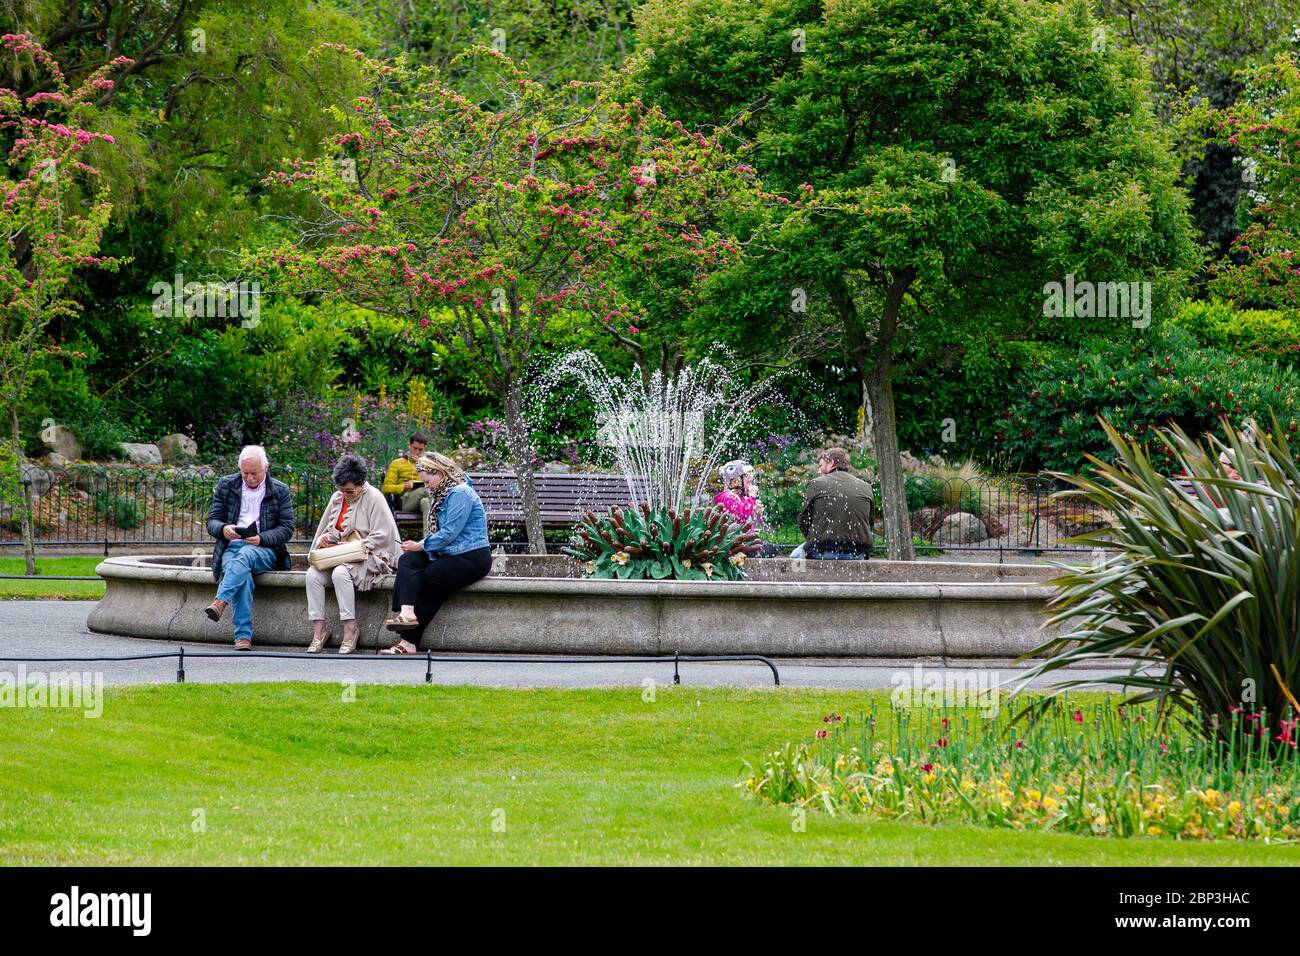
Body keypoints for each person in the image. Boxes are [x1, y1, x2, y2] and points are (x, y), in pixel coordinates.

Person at [381, 452, 492, 654]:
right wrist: (418, 548)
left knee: (430, 578)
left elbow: (449, 533)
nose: (426, 486)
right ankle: (406, 613)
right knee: (408, 560)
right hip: (448, 552)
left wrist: (421, 545)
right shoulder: (442, 493)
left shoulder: (460, 493)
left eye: (427, 481)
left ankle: (408, 643)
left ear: (440, 473)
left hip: (471, 556)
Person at [305, 454, 402, 654]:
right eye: (341, 490)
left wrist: (352, 546)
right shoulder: (337, 497)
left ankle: (350, 630)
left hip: (370, 556)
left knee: (340, 572)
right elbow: (327, 529)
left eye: (349, 490)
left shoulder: (374, 497)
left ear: (361, 483)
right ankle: (319, 631)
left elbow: (383, 537)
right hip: (339, 555)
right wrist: (325, 540)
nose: (345, 495)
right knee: (312, 575)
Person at [204, 445, 296, 649]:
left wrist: (262, 538)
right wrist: (223, 529)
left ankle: (220, 602)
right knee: (242, 576)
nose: (250, 477)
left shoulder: (280, 490)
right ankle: (243, 638)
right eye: (245, 473)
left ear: (266, 467)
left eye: (254, 473)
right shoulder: (227, 485)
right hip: (232, 548)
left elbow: (287, 528)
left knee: (245, 554)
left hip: (265, 550)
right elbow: (212, 521)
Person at [795, 447, 875, 560]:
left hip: (822, 551)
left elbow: (804, 519)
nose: (819, 471)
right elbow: (869, 521)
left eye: (820, 466)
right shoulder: (866, 486)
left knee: (794, 558)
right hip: (858, 554)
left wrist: (814, 538)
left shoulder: (817, 483)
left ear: (831, 462)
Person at [713, 459, 781, 557]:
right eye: (747, 479)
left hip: (745, 542)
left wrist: (758, 514)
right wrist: (752, 497)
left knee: (772, 548)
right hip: (733, 546)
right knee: (768, 550)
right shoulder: (727, 497)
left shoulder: (742, 498)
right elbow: (741, 517)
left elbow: (753, 525)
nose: (750, 480)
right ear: (736, 481)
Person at [381, 433, 430, 516]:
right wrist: (404, 486)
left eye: (420, 450)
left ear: (424, 449)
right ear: (409, 446)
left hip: (422, 499)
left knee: (425, 502)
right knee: (427, 490)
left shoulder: (427, 465)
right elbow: (385, 488)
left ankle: (428, 529)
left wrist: (421, 464)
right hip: (405, 500)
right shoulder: (397, 463)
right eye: (415, 448)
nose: (417, 452)